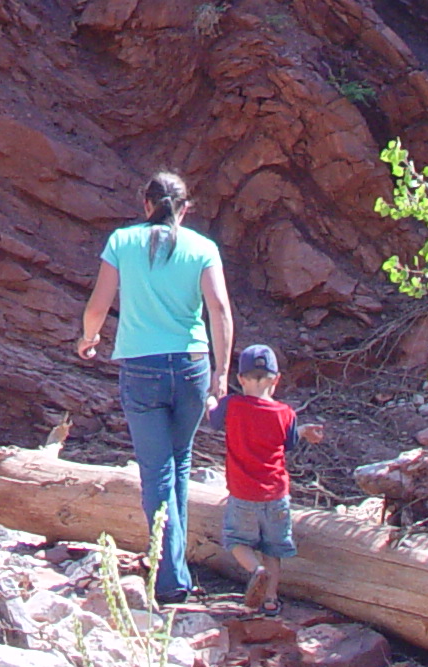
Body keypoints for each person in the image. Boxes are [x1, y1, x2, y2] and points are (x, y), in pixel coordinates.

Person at [75, 170, 233, 607]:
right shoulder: (203, 248)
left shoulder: (122, 243)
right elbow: (219, 309)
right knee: (177, 463)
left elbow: (99, 304)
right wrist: (221, 372)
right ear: (185, 209)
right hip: (192, 367)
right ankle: (175, 567)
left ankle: (168, 578)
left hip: (141, 367)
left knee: (157, 469)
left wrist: (88, 338)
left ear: (146, 205)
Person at [213, 343, 316, 612]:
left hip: (243, 494)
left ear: (241, 379)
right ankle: (271, 600)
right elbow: (289, 442)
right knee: (273, 549)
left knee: (236, 541)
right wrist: (304, 430)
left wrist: (210, 400)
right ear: (276, 380)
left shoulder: (232, 405)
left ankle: (255, 570)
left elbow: (213, 421)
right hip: (277, 495)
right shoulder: (286, 413)